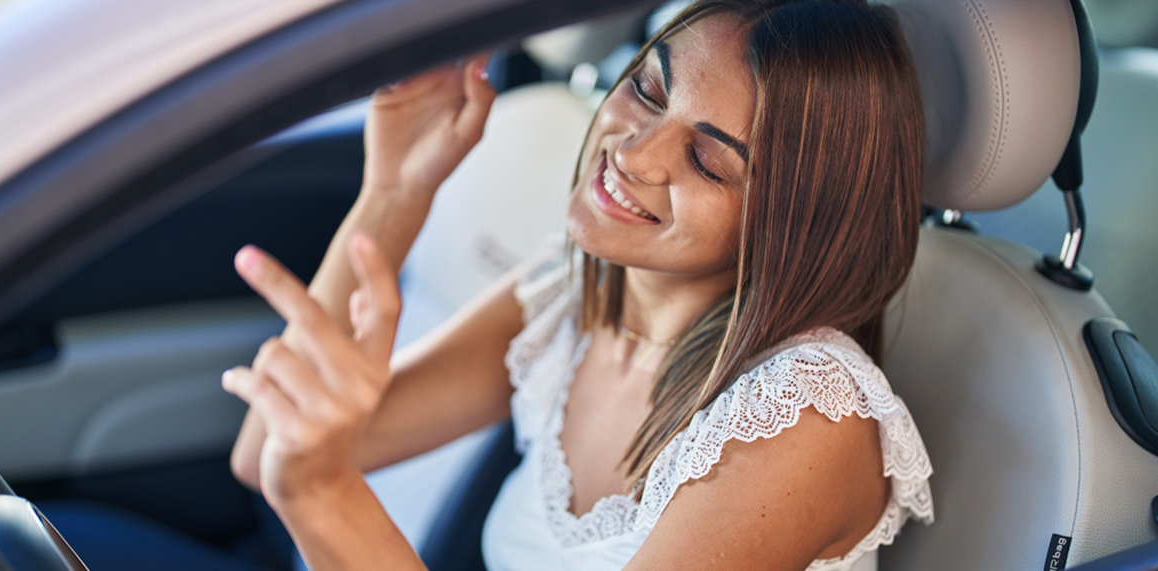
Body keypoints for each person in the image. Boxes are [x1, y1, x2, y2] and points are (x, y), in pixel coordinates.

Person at [223, 0, 935, 569]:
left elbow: (304, 472)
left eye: (709, 161)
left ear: (792, 223)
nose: (634, 150)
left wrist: (320, 491)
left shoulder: (805, 413)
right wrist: (394, 189)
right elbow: (265, 451)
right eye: (648, 89)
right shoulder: (573, 302)